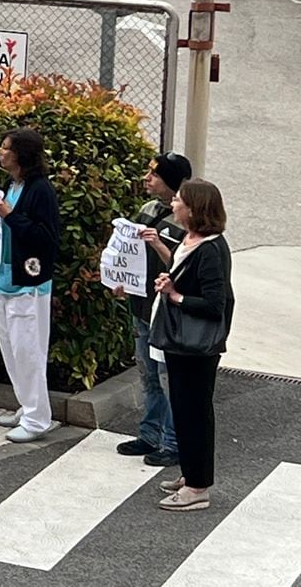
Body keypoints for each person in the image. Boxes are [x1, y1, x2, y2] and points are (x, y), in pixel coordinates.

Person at [150, 178, 234, 512]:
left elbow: (215, 303)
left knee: (195, 411)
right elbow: (182, 274)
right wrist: (169, 281)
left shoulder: (212, 249)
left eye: (179, 200)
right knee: (183, 409)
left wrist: (176, 295)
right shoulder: (190, 239)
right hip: (180, 341)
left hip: (197, 345)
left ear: (194, 208)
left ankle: (198, 487)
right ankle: (190, 472)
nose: (174, 204)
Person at [116, 153, 192, 468]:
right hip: (142, 305)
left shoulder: (187, 219)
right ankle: (150, 435)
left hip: (168, 313)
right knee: (147, 374)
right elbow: (132, 254)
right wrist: (120, 278)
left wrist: (159, 245)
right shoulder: (148, 211)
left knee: (167, 378)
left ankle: (173, 443)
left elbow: (187, 268)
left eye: (155, 174)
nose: (147, 179)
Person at [0, 128, 61, 443]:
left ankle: (37, 418)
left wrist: (12, 216)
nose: (0, 153)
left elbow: (46, 239)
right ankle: (27, 405)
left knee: (28, 351)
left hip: (27, 284)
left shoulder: (40, 190)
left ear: (21, 155)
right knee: (12, 350)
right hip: (3, 277)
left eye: (5, 149)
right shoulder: (12, 184)